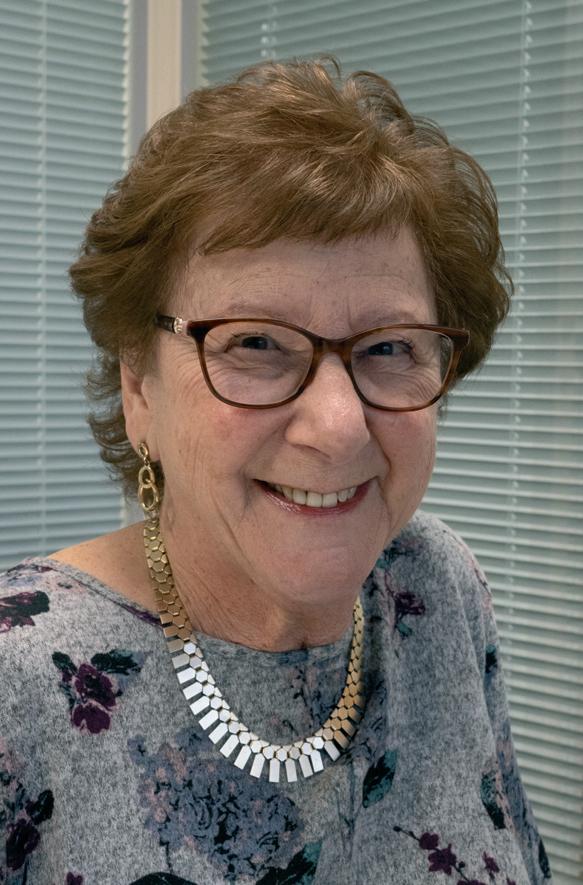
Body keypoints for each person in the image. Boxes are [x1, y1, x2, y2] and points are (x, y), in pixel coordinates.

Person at [0, 57, 552, 885]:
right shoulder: (17, 681)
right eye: (256, 342)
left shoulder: (432, 585)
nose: (337, 426)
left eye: (389, 346)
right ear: (138, 384)